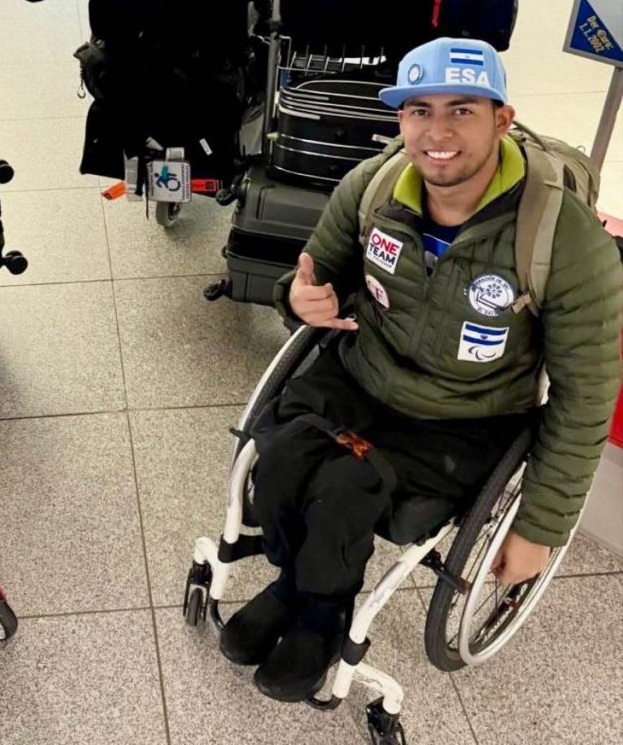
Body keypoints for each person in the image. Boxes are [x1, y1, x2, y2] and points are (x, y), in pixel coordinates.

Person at [218, 37, 623, 702]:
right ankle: (292, 583)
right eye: (418, 110)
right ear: (399, 120)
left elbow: (585, 397)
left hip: (465, 415)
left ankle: (323, 616)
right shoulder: (372, 187)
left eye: (462, 110)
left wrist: (539, 528)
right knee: (281, 458)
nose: (437, 132)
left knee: (347, 487)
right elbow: (315, 278)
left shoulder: (565, 241)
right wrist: (296, 297)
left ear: (502, 119)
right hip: (363, 374)